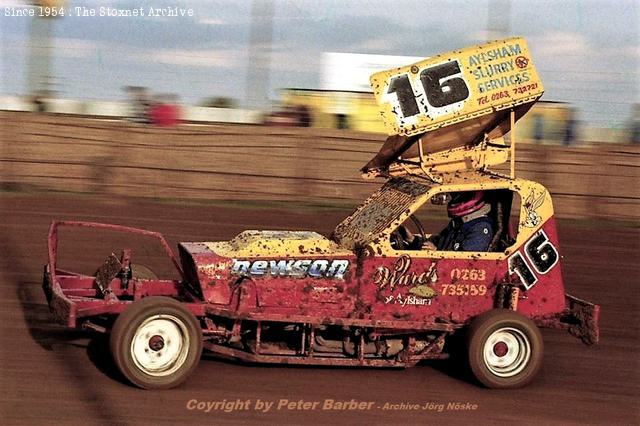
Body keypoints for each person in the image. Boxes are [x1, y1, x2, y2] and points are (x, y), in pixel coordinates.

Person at [397, 191, 494, 252]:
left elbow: (466, 263)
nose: (454, 200)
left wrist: (437, 252)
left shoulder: (480, 228)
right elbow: (437, 242)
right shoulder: (458, 223)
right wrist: (413, 240)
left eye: (458, 196)